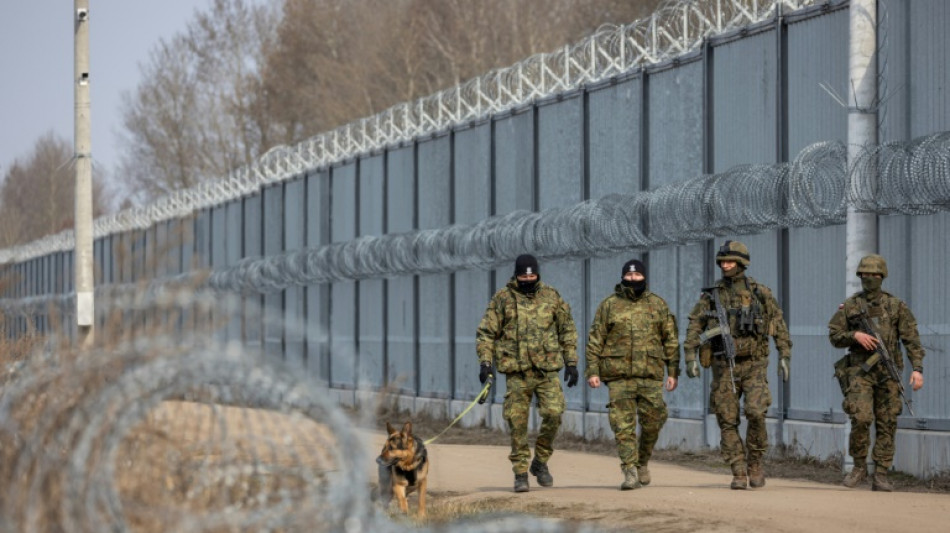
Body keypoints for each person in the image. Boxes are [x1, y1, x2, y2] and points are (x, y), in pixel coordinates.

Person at [683, 240, 791, 490]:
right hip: (723, 367)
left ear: (742, 263)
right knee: (727, 420)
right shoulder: (712, 295)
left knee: (756, 413)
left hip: (754, 365)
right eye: (723, 261)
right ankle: (738, 471)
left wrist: (784, 355)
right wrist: (690, 356)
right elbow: (695, 325)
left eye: (730, 261)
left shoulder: (760, 293)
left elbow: (779, 325)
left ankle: (755, 463)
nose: (726, 265)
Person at [475, 254, 579, 493]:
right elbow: (486, 333)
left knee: (554, 413)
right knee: (517, 422)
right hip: (517, 371)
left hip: (547, 369)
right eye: (524, 275)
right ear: (516, 275)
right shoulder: (503, 298)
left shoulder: (551, 296)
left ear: (538, 274)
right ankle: (520, 473)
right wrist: (485, 363)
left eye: (532, 275)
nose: (528, 279)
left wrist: (571, 362)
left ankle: (540, 461)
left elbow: (567, 330)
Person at [828, 254, 925, 492]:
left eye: (874, 275)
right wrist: (855, 336)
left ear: (882, 277)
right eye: (865, 275)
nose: (869, 279)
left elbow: (911, 339)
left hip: (888, 373)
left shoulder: (896, 306)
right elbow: (834, 335)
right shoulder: (851, 306)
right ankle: (859, 466)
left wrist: (918, 369)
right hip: (861, 371)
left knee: (888, 421)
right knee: (860, 417)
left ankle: (881, 473)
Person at [585, 259, 681, 490]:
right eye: (629, 276)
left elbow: (671, 339)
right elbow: (595, 339)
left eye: (637, 275)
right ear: (622, 277)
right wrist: (593, 370)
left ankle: (642, 461)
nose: (633, 279)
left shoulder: (657, 305)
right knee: (622, 425)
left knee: (655, 419)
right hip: (619, 377)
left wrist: (673, 371)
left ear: (644, 277)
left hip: (650, 374)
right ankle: (629, 471)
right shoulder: (609, 305)